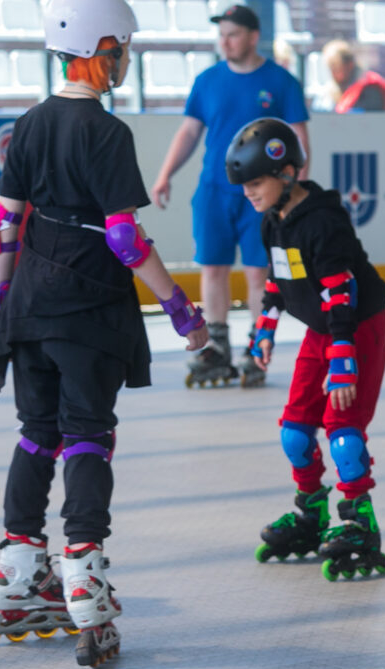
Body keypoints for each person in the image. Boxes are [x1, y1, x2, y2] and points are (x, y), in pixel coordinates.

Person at [0, 0, 209, 667]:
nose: (126, 62)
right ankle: (83, 575)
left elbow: (2, 225)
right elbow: (122, 236)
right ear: (95, 50)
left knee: (35, 433)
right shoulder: (106, 134)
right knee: (86, 434)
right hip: (88, 308)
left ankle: (18, 570)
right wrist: (180, 311)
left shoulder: (27, 125)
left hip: (28, 305)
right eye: (122, 50)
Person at [225, 118, 385, 581]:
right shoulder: (273, 222)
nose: (248, 193)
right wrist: (265, 328)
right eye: (245, 185)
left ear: (286, 174)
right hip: (324, 329)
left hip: (357, 325)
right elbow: (283, 282)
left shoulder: (323, 221)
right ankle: (311, 512)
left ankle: (360, 519)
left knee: (343, 430)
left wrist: (343, 359)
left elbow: (342, 291)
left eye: (255, 183)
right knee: (295, 432)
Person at [151, 4, 309, 387]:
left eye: (233, 34)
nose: (225, 41)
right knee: (214, 268)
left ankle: (258, 347)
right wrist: (165, 174)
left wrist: (294, 194)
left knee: (259, 274)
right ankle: (217, 347)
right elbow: (189, 132)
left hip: (263, 195)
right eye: (221, 34)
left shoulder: (281, 82)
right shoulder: (207, 81)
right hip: (214, 190)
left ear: (253, 37)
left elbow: (299, 141)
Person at [321, 39, 385, 112]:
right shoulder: (333, 91)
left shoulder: (370, 88)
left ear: (349, 65)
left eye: (336, 69)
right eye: (331, 69)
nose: (333, 74)